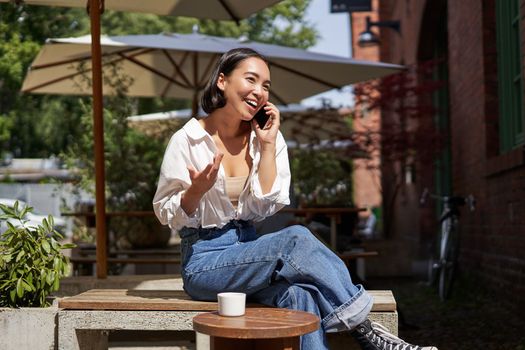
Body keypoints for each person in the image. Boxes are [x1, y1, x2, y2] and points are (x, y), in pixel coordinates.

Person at [153, 48, 437, 350]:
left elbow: (266, 206)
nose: (260, 92)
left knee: (302, 295)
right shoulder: (187, 139)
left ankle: (364, 333)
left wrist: (267, 146)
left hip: (251, 253)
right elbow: (164, 213)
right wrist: (195, 191)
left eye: (266, 85)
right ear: (222, 81)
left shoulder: (266, 136)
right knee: (295, 239)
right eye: (251, 79)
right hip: (205, 261)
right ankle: (366, 332)